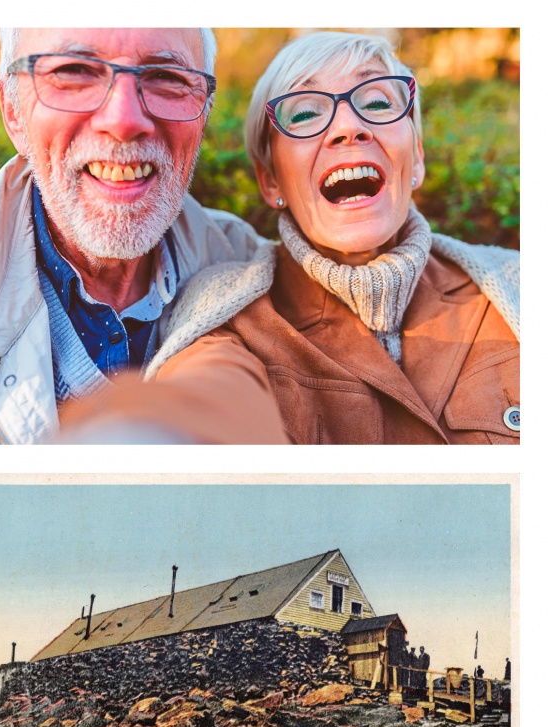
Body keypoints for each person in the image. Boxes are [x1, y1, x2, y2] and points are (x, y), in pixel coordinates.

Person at [146, 30, 519, 444]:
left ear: (416, 158)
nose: (349, 127)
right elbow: (205, 404)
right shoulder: (226, 318)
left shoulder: (515, 287)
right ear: (270, 181)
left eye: (377, 103)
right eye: (304, 114)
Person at [0, 28, 286, 444]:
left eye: (167, 78)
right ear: (13, 111)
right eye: (74, 72)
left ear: (204, 113)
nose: (123, 121)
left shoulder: (247, 266)